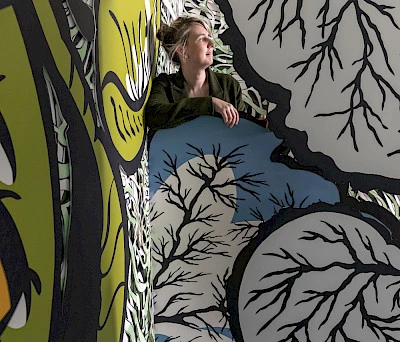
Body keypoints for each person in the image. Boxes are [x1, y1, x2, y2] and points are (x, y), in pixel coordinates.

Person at [145, 16, 267, 131]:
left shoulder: (229, 85)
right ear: (183, 51)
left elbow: (240, 129)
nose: (212, 44)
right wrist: (210, 103)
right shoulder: (164, 84)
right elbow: (153, 117)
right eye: (203, 39)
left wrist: (262, 126)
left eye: (209, 36)